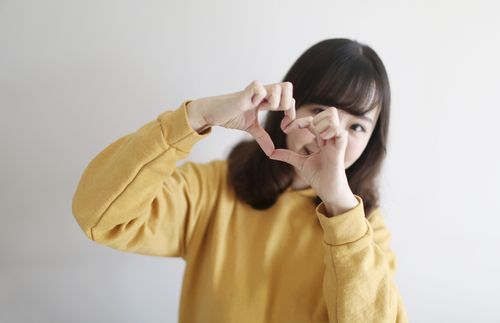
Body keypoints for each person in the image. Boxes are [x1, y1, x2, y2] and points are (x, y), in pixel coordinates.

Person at [72, 38, 408, 322]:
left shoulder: (364, 230)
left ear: (372, 142)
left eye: (357, 127)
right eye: (319, 111)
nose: (332, 135)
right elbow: (99, 215)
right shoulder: (213, 189)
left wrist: (339, 207)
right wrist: (195, 117)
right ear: (288, 110)